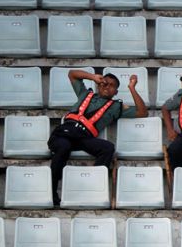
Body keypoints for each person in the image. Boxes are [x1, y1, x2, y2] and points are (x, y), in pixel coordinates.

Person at [47, 69, 148, 205]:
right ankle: (52, 192)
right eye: (104, 83)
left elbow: (142, 112)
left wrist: (131, 88)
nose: (106, 86)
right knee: (63, 147)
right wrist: (93, 77)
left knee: (108, 148)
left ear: (116, 92)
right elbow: (72, 74)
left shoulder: (116, 107)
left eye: (111, 85)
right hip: (65, 132)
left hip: (83, 138)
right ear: (99, 85)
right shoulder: (85, 94)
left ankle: (93, 187)